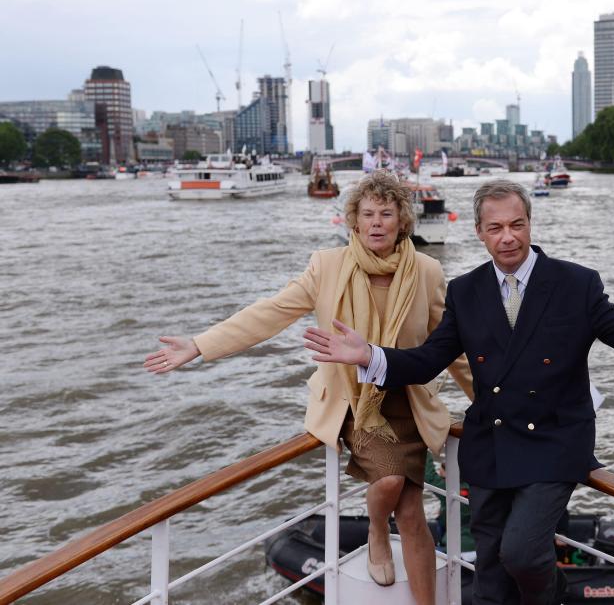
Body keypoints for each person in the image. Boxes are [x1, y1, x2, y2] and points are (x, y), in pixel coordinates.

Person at [303, 179, 614, 605]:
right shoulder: (466, 291)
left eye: (517, 225)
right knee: (490, 576)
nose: (508, 237)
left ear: (530, 224)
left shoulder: (576, 284)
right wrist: (369, 356)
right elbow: (429, 359)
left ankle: (555, 596)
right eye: (496, 228)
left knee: (522, 552)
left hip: (554, 444)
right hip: (491, 446)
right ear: (479, 232)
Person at [142, 170, 472, 605]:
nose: (376, 222)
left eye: (386, 214)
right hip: (356, 403)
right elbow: (271, 312)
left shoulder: (426, 272)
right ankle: (376, 529)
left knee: (412, 513)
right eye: (367, 213)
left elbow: (453, 348)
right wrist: (200, 345)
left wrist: (491, 400)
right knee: (392, 484)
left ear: (401, 222)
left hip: (406, 398)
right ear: (353, 221)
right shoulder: (327, 266)